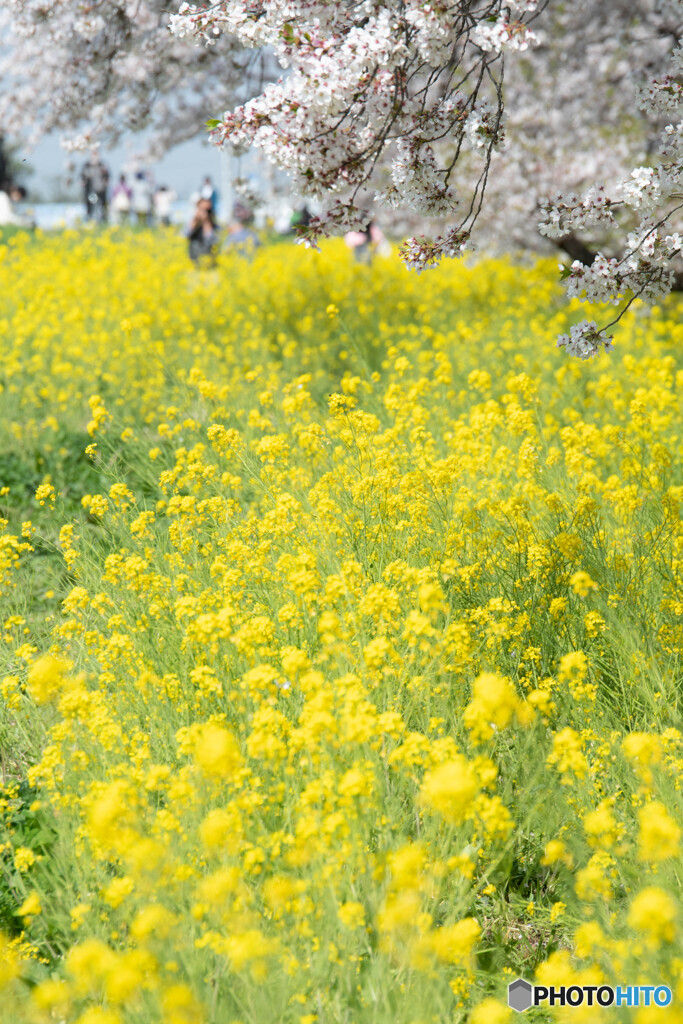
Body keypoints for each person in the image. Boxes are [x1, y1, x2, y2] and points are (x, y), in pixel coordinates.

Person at [186, 197, 218, 264]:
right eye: (201, 209)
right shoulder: (191, 222)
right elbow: (184, 236)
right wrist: (195, 220)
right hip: (192, 262)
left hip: (209, 263)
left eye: (207, 210)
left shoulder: (215, 227)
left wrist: (206, 222)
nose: (204, 213)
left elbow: (211, 241)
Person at [81, 152, 109, 222]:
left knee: (102, 206)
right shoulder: (87, 165)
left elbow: (107, 175)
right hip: (90, 190)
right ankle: (90, 219)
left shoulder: (102, 165)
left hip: (101, 190)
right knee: (90, 205)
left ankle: (103, 220)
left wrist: (105, 182)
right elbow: (82, 176)